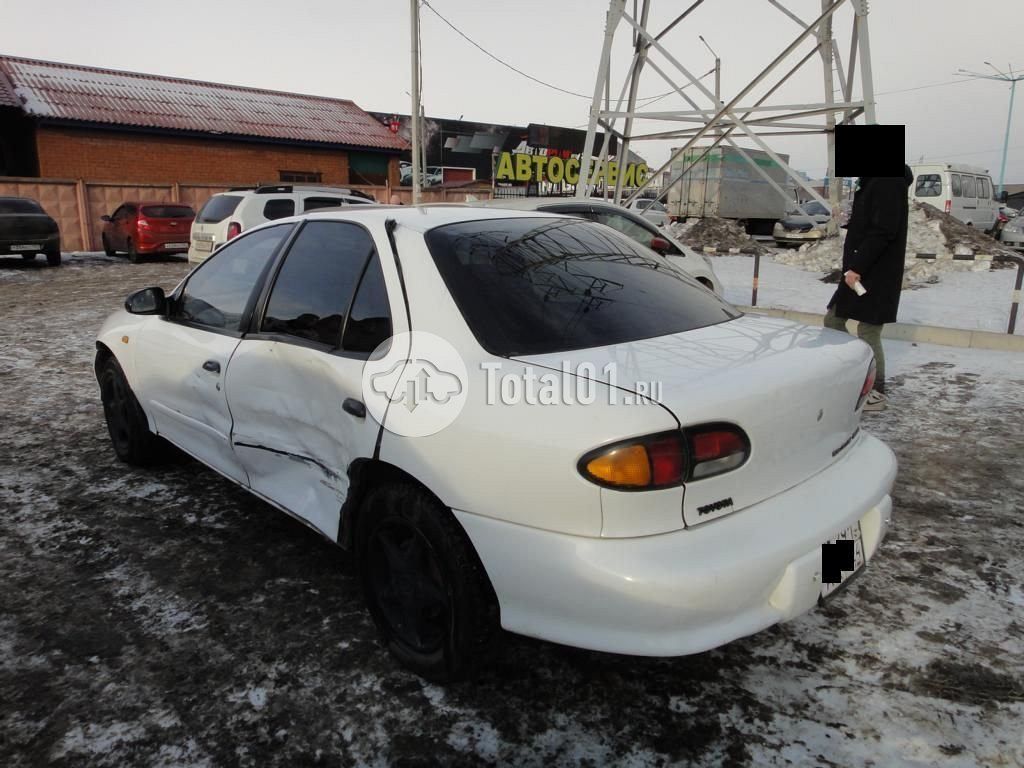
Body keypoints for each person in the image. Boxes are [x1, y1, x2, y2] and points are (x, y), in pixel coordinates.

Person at [824, 165, 914, 412]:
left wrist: (857, 268)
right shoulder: (874, 180)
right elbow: (871, 223)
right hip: (862, 269)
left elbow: (883, 230)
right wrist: (848, 221)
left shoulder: (888, 181)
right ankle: (852, 375)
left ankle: (876, 393)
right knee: (833, 320)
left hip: (874, 273)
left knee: (869, 330)